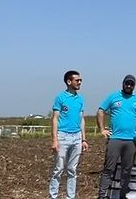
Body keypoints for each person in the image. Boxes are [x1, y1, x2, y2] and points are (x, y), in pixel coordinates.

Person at [97, 75, 136, 199]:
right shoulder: (113, 97)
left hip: (131, 140)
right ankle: (102, 195)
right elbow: (101, 110)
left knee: (127, 170)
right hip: (115, 139)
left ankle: (122, 196)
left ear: (134, 85)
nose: (129, 86)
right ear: (123, 84)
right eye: (127, 84)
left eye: (131, 84)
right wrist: (102, 129)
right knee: (109, 169)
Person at [50, 70, 88, 199]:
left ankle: (70, 197)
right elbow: (55, 118)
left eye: (80, 80)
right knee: (58, 169)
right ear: (69, 81)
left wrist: (84, 139)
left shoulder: (80, 99)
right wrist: (55, 139)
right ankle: (53, 196)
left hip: (76, 137)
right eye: (77, 80)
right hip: (63, 136)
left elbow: (81, 119)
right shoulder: (60, 98)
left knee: (72, 170)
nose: (80, 82)